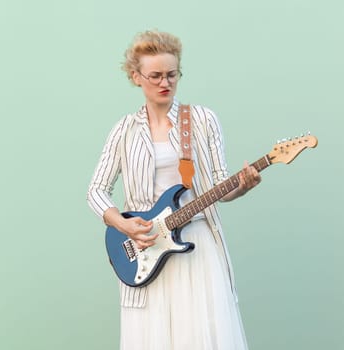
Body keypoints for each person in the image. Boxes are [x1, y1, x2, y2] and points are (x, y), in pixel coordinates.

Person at [86, 29, 261, 350]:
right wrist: (122, 223)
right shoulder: (123, 130)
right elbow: (96, 190)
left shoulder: (202, 119)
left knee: (202, 334)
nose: (164, 83)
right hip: (145, 247)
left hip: (196, 246)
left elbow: (222, 185)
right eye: (155, 76)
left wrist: (243, 187)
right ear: (136, 77)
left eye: (172, 74)